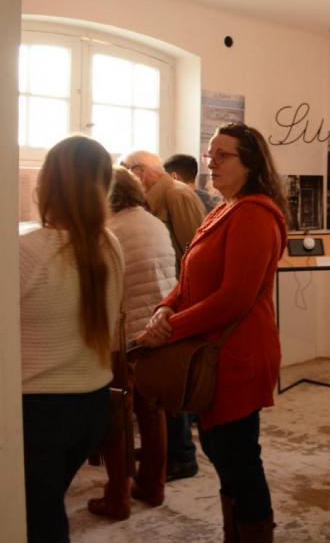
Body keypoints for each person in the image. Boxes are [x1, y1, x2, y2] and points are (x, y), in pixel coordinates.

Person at [137, 123, 287, 543]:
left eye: (223, 155)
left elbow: (234, 299)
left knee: (239, 458)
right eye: (210, 153)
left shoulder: (255, 214)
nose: (211, 162)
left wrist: (169, 330)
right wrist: (165, 308)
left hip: (238, 355)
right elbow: (190, 277)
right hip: (213, 351)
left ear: (250, 163)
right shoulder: (225, 208)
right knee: (222, 454)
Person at [20, 135, 124, 542]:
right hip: (91, 402)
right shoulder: (109, 245)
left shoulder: (26, 251)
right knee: (44, 508)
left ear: (46, 183)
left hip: (39, 410)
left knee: (36, 517)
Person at [86, 167, 177, 520]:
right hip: (157, 331)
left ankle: (117, 496)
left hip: (122, 337)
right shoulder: (154, 223)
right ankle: (153, 485)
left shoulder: (109, 231)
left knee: (117, 417)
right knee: (152, 412)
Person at [119, 149, 207, 482]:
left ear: (140, 170)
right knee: (156, 382)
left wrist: (185, 303)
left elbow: (195, 252)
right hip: (164, 299)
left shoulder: (176, 194)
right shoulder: (156, 198)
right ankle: (168, 448)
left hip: (176, 298)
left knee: (168, 380)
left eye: (129, 169)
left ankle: (181, 454)